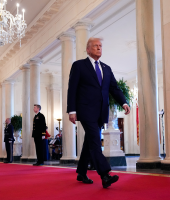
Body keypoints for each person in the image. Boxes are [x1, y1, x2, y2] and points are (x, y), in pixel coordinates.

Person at [67, 37, 130, 188]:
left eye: (100, 46)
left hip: (101, 112)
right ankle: (105, 174)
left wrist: (124, 102)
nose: (99, 48)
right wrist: (72, 110)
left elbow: (114, 88)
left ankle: (82, 172)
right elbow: (72, 88)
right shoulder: (79, 66)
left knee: (89, 141)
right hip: (85, 109)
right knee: (95, 140)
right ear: (88, 49)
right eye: (95, 46)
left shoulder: (106, 68)